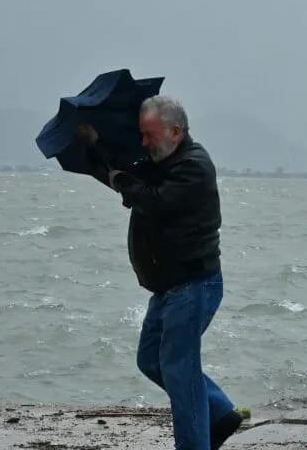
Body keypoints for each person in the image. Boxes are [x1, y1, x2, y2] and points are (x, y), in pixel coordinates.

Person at [76, 95, 242, 450]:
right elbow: (123, 176)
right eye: (142, 134)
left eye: (149, 135)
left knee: (180, 371)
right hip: (167, 287)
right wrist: (94, 146)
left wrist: (124, 181)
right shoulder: (159, 162)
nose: (143, 142)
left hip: (194, 285)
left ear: (175, 132)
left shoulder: (194, 166)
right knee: (151, 359)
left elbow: (154, 200)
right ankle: (220, 413)